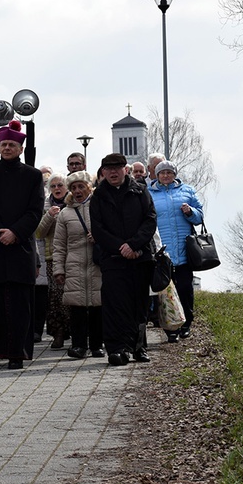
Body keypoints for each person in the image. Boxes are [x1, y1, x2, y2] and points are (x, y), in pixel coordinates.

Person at [0, 120, 45, 370]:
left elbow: (35, 211)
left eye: (11, 144)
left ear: (20, 148)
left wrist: (15, 232)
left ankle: (18, 353)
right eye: (3, 144)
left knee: (20, 304)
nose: (6, 148)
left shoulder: (33, 176)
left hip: (20, 247)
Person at [89, 153, 156, 366]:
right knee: (115, 306)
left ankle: (139, 347)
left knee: (139, 305)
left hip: (139, 257)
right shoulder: (98, 196)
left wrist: (134, 245)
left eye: (117, 168)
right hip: (112, 259)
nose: (113, 172)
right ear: (103, 172)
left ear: (125, 170)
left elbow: (150, 220)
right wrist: (121, 247)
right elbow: (98, 229)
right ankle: (117, 349)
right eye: (108, 169)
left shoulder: (140, 190)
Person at [148, 160, 204, 342]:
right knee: (164, 291)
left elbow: (199, 217)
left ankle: (186, 323)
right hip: (161, 251)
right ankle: (170, 327)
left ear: (175, 175)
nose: (165, 176)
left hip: (184, 249)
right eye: (162, 173)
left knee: (185, 288)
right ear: (156, 175)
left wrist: (190, 212)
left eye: (169, 172)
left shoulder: (186, 191)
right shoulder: (148, 193)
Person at [52, 171, 104, 359]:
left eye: (81, 186)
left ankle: (98, 345)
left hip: (97, 263)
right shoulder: (65, 214)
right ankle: (79, 345)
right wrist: (59, 269)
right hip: (74, 264)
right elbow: (59, 245)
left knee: (98, 306)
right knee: (77, 308)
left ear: (89, 187)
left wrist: (99, 237)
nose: (78, 191)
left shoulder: (100, 207)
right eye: (74, 188)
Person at [35, 173, 71, 349]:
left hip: (73, 256)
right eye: (53, 186)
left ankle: (75, 331)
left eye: (60, 185)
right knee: (55, 298)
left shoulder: (74, 204)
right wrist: (49, 215)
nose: (57, 189)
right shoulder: (45, 206)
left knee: (74, 296)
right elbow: (38, 234)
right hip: (52, 257)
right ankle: (58, 333)